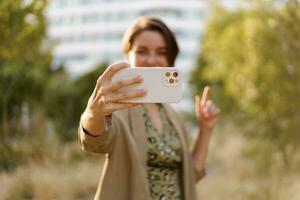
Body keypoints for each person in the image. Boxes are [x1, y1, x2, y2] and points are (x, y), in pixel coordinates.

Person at [78, 17, 220, 200]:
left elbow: (190, 175)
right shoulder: (117, 108)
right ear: (127, 55)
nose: (152, 60)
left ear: (170, 59)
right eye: (142, 51)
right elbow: (93, 142)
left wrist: (205, 129)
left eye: (161, 52)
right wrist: (93, 112)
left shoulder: (173, 117)